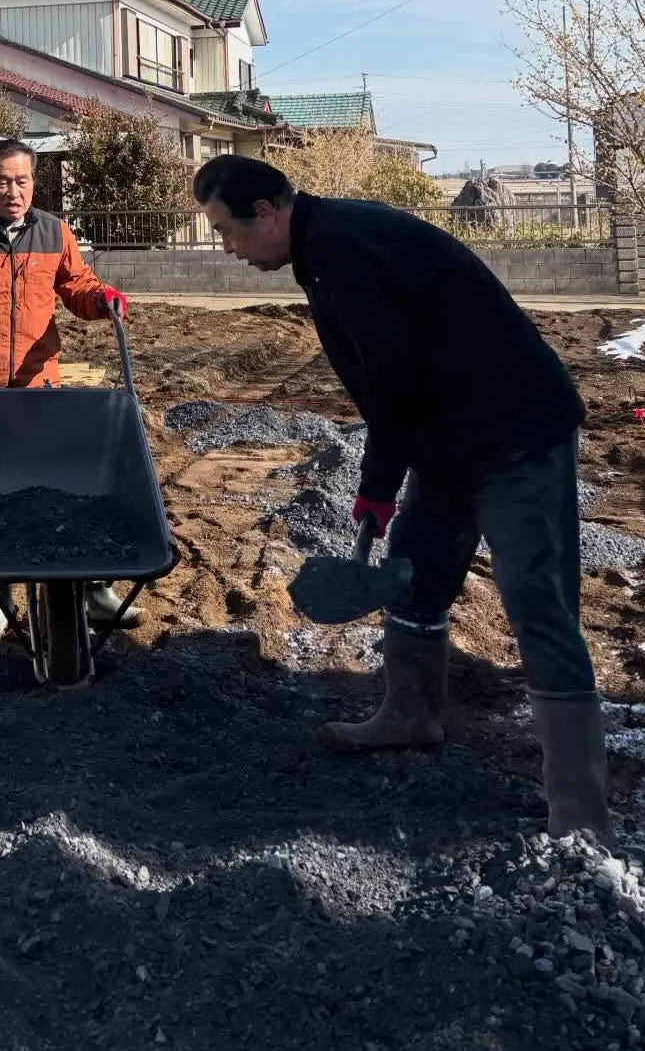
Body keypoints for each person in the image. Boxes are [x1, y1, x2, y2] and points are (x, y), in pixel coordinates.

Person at [194, 154, 610, 841]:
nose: (227, 248)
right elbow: (396, 376)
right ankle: (410, 715)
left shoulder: (342, 246)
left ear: (266, 212)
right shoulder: (322, 246)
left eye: (226, 231)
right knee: (415, 578)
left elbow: (392, 376)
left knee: (539, 606)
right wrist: (390, 481)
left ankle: (580, 814)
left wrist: (378, 483)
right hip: (447, 439)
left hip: (515, 437)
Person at [0, 138, 133, 645]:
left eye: (23, 180)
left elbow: (76, 285)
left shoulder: (54, 231)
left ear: (34, 182)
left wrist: (102, 299)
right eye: (2, 181)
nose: (13, 191)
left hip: (39, 385)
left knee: (60, 487)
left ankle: (92, 588)